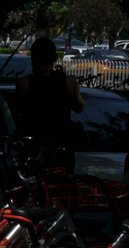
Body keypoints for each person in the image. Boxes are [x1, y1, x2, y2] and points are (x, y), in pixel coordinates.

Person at [15, 36, 85, 170]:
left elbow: (19, 112)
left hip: (34, 148)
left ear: (33, 59)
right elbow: (80, 107)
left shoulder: (24, 83)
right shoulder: (69, 82)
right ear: (54, 58)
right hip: (61, 147)